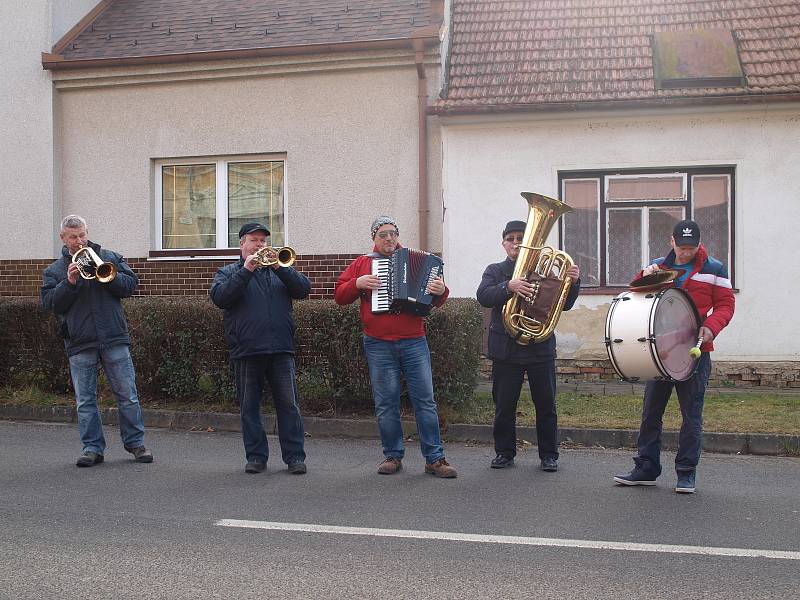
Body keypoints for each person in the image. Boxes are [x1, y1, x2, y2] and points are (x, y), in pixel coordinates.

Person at [614, 219, 735, 493]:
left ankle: (686, 473)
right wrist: (646, 275)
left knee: (691, 416)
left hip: (695, 352)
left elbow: (726, 305)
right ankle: (646, 468)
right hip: (660, 351)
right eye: (681, 247)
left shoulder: (715, 268)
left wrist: (711, 327)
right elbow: (635, 293)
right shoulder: (660, 264)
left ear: (699, 245)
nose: (685, 253)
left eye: (691, 248)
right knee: (650, 413)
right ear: (671, 241)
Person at [334, 216, 457, 478]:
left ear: (397, 236)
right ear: (374, 239)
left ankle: (435, 459)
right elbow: (340, 295)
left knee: (425, 401)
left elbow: (437, 299)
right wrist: (357, 284)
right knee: (386, 402)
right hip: (378, 344)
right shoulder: (363, 263)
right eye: (383, 234)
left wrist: (441, 289)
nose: (388, 238)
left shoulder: (421, 261)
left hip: (414, 341)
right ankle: (392, 455)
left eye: (392, 233)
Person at [40, 215, 153, 467]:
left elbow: (131, 285)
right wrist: (68, 283)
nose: (79, 241)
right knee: (85, 400)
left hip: (113, 337)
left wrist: (109, 276)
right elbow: (50, 304)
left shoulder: (110, 257)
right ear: (63, 238)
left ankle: (136, 444)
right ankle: (92, 448)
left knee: (128, 395)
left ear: (87, 232)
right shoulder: (55, 270)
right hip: (80, 342)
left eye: (82, 235)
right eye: (73, 237)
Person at [477, 221, 581, 472]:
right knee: (504, 406)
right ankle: (504, 453)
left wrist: (573, 282)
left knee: (546, 405)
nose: (515, 242)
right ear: (503, 244)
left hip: (539, 347)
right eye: (510, 238)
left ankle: (549, 455)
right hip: (506, 349)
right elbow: (484, 296)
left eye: (520, 238)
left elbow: (564, 305)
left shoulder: (546, 271)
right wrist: (508, 286)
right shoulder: (495, 270)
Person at [210, 223, 310, 475]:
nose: (260, 245)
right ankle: (256, 457)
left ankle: (295, 457)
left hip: (280, 349)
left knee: (289, 406)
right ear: (242, 244)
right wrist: (246, 270)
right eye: (254, 240)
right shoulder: (228, 271)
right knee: (249, 407)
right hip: (247, 350)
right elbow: (221, 298)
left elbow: (303, 289)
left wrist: (279, 267)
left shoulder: (279, 271)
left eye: (263, 241)